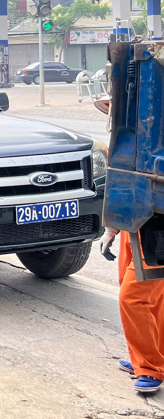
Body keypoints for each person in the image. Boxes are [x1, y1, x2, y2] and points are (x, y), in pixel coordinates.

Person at [95, 100, 164, 393]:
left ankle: (151, 367)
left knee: (133, 297)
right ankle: (142, 358)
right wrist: (111, 228)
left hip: (153, 228)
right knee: (151, 299)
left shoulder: (151, 141)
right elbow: (121, 185)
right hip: (133, 226)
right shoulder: (126, 140)